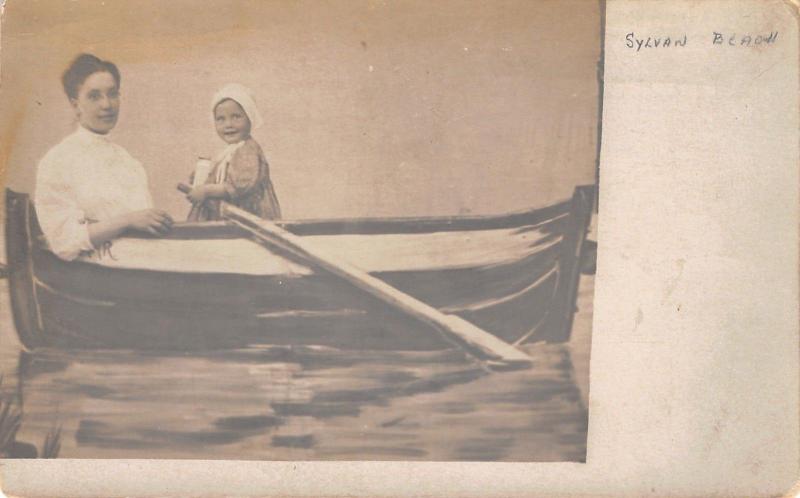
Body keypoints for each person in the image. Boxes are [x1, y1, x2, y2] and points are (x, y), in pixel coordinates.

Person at [35, 53, 173, 261]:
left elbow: (143, 229)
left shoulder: (128, 161)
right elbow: (64, 243)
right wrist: (127, 220)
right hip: (90, 279)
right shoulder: (58, 160)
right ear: (75, 104)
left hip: (138, 269)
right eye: (94, 96)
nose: (107, 105)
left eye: (112, 94)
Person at [186, 83, 281, 221]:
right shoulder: (227, 153)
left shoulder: (248, 150)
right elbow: (220, 178)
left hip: (246, 214)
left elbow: (239, 186)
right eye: (221, 119)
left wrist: (206, 190)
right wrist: (201, 178)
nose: (228, 124)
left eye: (236, 117)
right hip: (229, 213)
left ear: (250, 118)